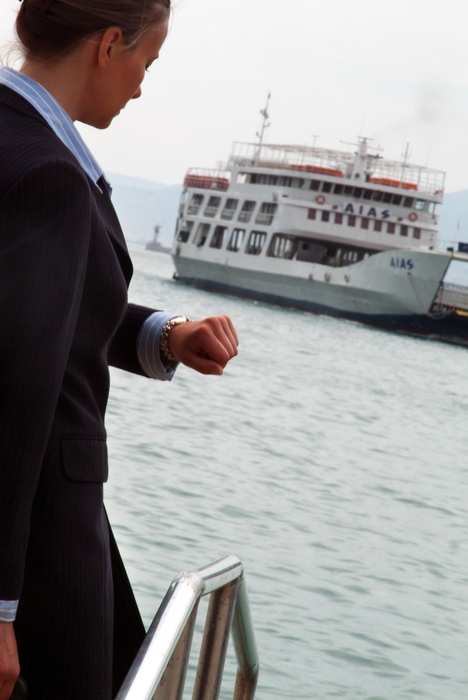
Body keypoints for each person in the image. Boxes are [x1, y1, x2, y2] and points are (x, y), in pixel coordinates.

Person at [0, 1, 239, 699]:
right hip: (42, 542)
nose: (141, 84)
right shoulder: (51, 175)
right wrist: (3, 608)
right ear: (109, 44)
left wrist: (159, 334)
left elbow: (24, 311)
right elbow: (17, 396)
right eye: (146, 60)